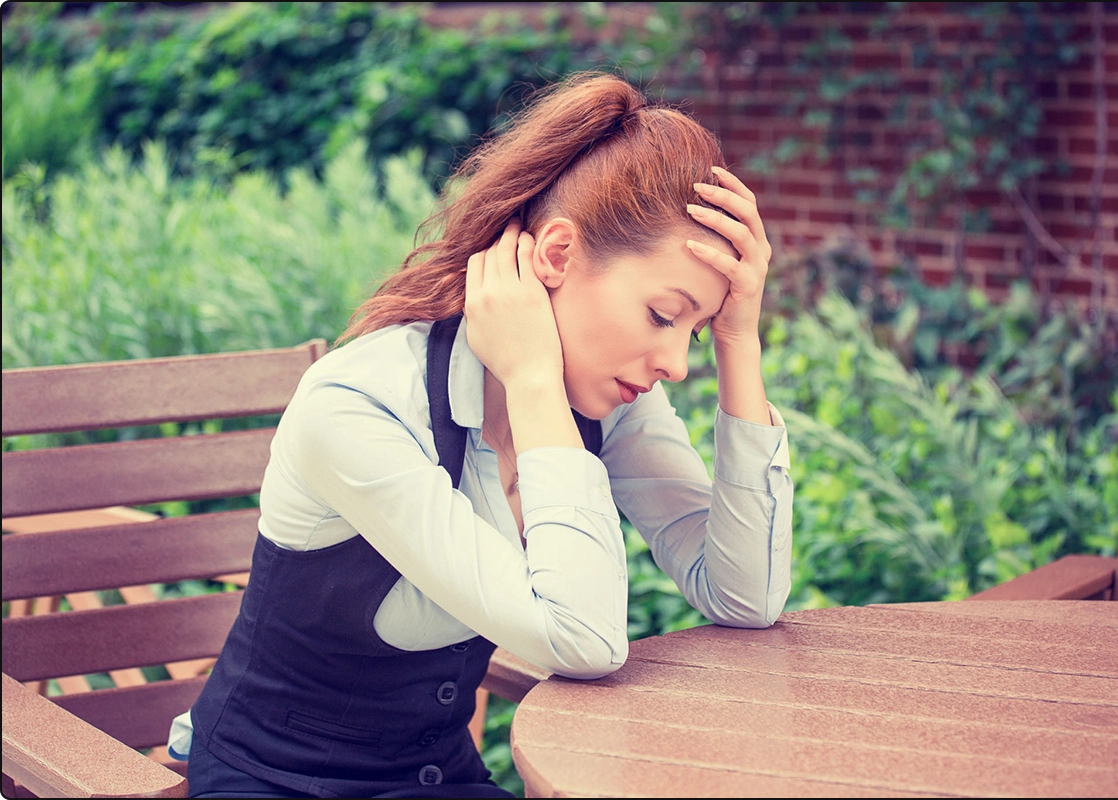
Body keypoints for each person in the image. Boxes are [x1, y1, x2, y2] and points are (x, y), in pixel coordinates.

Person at [171, 71, 794, 798]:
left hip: (437, 783)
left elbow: (746, 596)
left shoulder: (608, 399)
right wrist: (531, 381)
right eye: (664, 315)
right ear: (555, 257)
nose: (676, 364)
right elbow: (584, 641)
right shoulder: (360, 404)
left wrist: (740, 340)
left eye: (698, 328)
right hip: (275, 782)